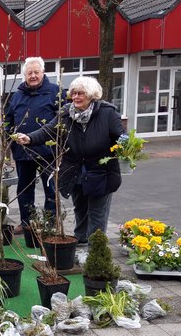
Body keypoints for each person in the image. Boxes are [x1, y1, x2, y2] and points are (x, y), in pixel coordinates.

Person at [16, 76, 124, 244]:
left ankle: (96, 250)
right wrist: (29, 138)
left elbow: (121, 138)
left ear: (91, 95)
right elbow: (48, 131)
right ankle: (80, 241)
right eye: (73, 93)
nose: (75, 97)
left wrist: (127, 150)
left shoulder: (107, 113)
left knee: (97, 214)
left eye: (80, 93)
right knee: (80, 209)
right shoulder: (66, 113)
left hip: (100, 173)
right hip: (75, 171)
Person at [5, 57, 58, 234]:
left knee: (51, 189)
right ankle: (27, 222)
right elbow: (8, 120)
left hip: (47, 152)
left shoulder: (55, 92)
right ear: (24, 75)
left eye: (36, 72)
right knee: (24, 189)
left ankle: (50, 224)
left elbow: (63, 121)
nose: (33, 76)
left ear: (43, 72)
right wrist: (8, 136)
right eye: (30, 73)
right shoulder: (17, 95)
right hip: (23, 152)